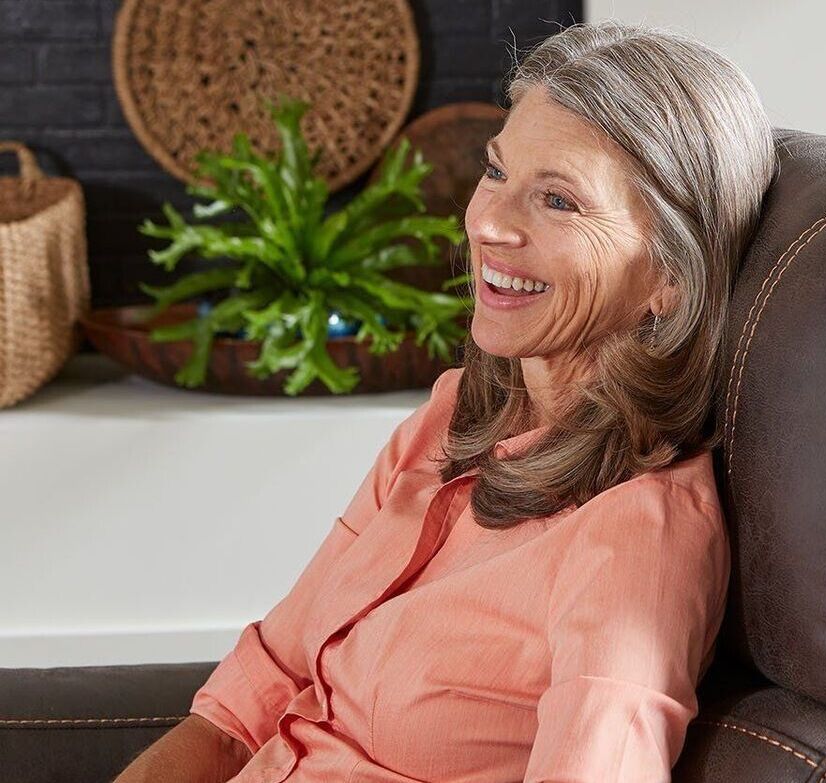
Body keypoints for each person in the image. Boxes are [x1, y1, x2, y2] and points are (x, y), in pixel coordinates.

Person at [113, 19, 777, 782]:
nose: (489, 222)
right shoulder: (451, 415)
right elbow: (245, 706)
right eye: (496, 172)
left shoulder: (636, 535)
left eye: (558, 200)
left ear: (670, 279)